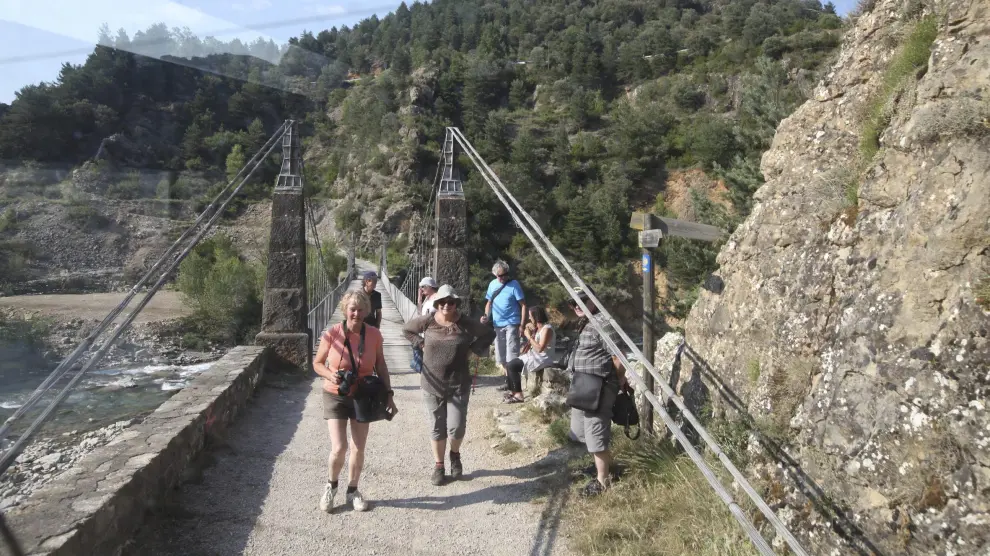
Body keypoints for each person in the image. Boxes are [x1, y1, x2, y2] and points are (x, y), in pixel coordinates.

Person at [313, 290, 398, 513]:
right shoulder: (332, 333)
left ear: (367, 311)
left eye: (361, 310)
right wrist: (330, 375)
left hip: (363, 395)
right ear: (345, 310)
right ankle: (331, 486)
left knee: (358, 447)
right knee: (339, 448)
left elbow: (380, 366)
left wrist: (388, 393)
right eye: (352, 309)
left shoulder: (374, 335)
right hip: (335, 394)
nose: (356, 314)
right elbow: (317, 363)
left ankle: (353, 490)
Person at [402, 285, 496, 485]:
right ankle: (439, 466)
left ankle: (454, 454)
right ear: (437, 304)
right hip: (432, 383)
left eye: (450, 302)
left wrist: (473, 349)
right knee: (437, 427)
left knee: (457, 427)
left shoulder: (465, 323)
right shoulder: (428, 321)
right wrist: (420, 344)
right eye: (442, 302)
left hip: (458, 383)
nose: (446, 305)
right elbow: (407, 330)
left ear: (456, 304)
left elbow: (488, 334)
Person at [566, 286, 626, 497]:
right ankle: (601, 468)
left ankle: (603, 481)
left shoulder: (602, 323)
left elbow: (619, 356)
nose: (577, 305)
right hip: (584, 385)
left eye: (582, 300)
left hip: (599, 385)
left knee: (595, 429)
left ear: (593, 300)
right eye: (573, 302)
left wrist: (618, 379)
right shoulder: (588, 323)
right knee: (582, 430)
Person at [479, 260, 526, 386]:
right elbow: (489, 303)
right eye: (500, 276)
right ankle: (508, 381)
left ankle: (514, 384)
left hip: (512, 323)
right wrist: (485, 316)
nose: (503, 277)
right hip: (497, 324)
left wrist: (521, 324)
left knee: (512, 354)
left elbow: (523, 305)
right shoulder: (492, 284)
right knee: (501, 355)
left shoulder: (514, 285)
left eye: (505, 274)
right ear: (495, 274)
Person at [502, 306, 555, 404]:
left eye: (530, 316)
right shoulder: (539, 328)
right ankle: (513, 391)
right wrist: (528, 328)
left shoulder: (547, 329)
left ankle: (518, 395)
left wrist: (529, 337)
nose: (529, 318)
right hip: (534, 355)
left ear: (536, 316)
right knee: (508, 365)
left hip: (543, 358)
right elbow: (530, 329)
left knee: (512, 366)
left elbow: (540, 348)